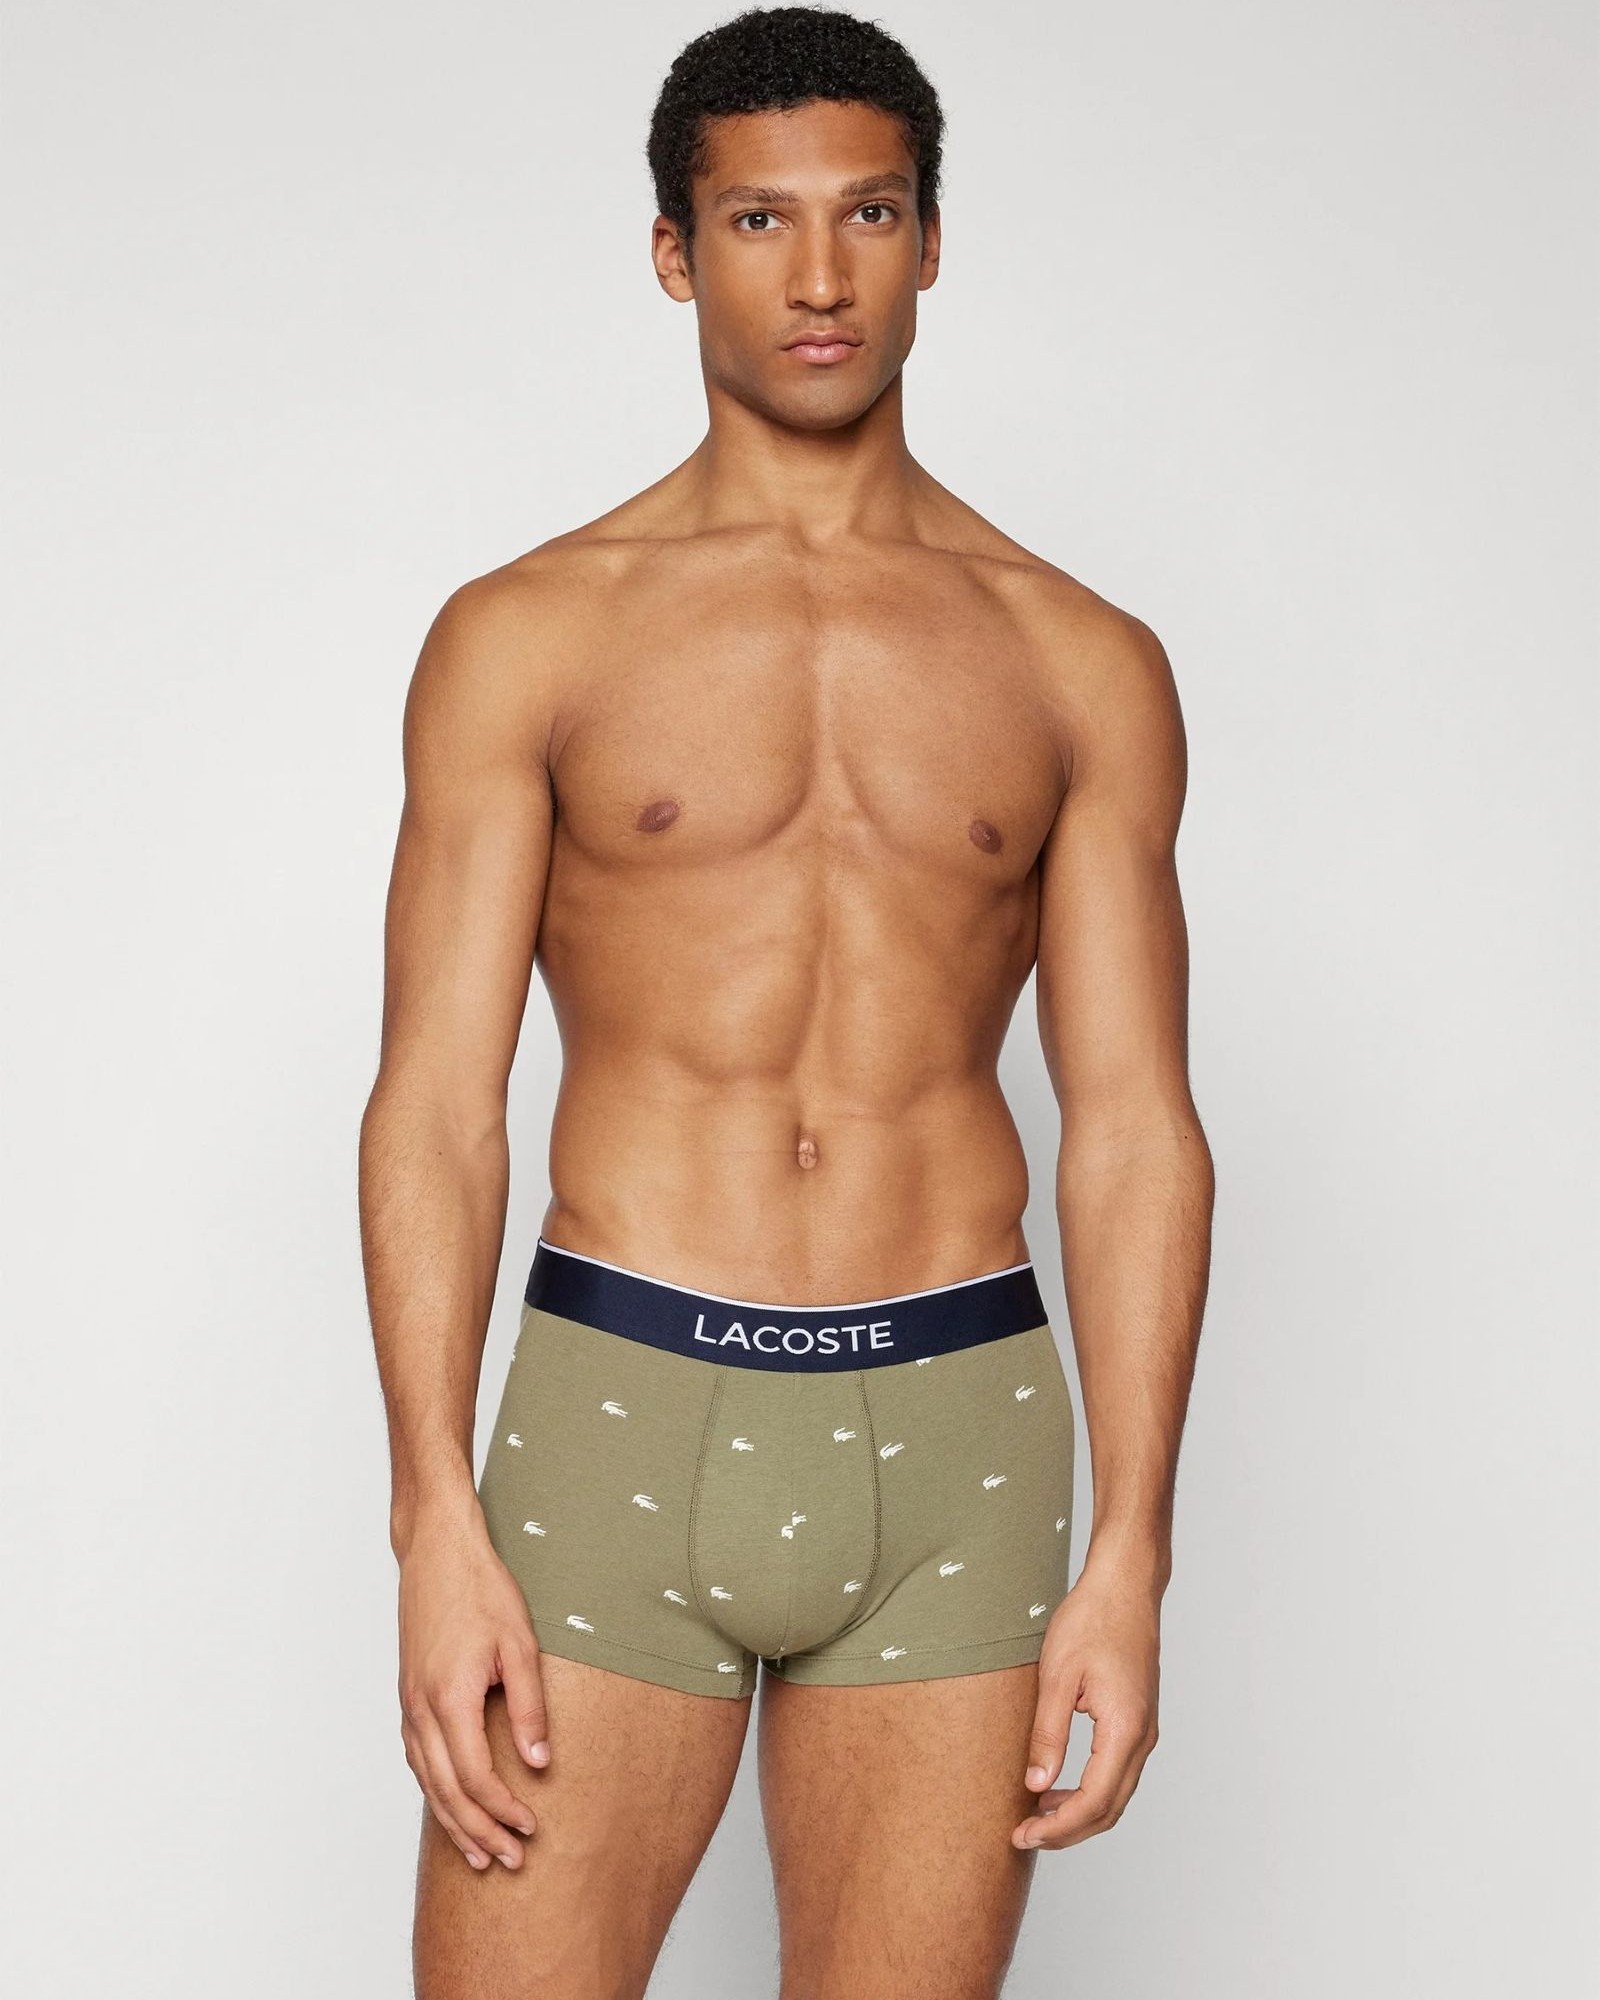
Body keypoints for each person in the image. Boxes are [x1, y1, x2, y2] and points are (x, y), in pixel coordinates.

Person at [358, 6, 1214, 1994]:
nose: (819, 275)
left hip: (958, 1429)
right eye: (758, 220)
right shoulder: (528, 634)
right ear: (675, 252)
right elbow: (436, 1106)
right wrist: (430, 1519)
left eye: (868, 214)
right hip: (619, 1407)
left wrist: (1134, 1550)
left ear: (931, 240)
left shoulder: (1079, 659)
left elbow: (1133, 1128)